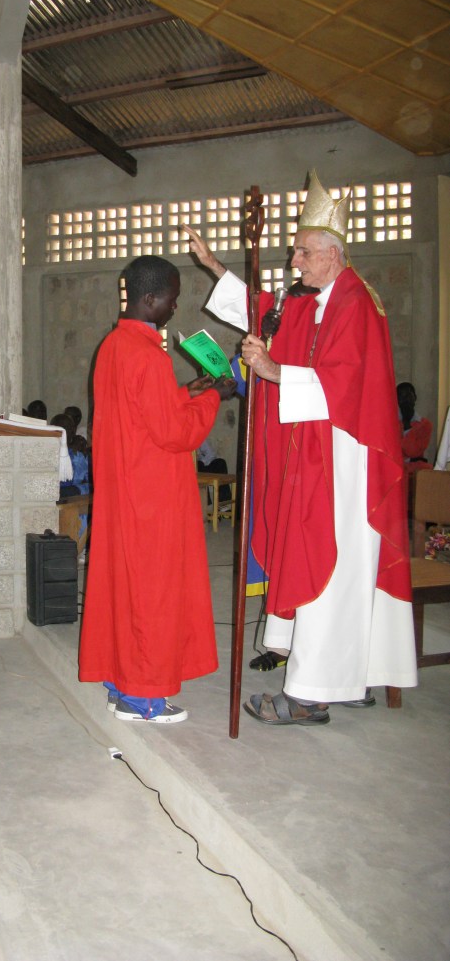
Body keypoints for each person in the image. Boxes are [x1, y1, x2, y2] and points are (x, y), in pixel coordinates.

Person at [187, 170, 417, 726]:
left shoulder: (355, 305)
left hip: (342, 463)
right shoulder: (321, 299)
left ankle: (313, 692)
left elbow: (342, 383)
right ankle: (348, 677)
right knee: (333, 568)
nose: (295, 261)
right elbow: (271, 312)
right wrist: (219, 268)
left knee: (331, 565)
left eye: (303, 252)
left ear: (333, 254)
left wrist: (273, 370)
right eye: (294, 251)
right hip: (320, 455)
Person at [79, 255, 235, 723]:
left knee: (122, 588)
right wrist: (213, 396)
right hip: (151, 498)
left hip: (123, 490)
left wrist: (189, 389)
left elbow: (143, 412)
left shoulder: (113, 346)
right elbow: (174, 434)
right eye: (172, 297)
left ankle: (118, 680)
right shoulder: (147, 355)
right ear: (151, 299)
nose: (175, 306)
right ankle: (143, 697)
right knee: (152, 593)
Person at [397, 382, 433, 473]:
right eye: (401, 396)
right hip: (395, 467)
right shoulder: (391, 423)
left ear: (415, 397)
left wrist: (407, 425)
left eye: (408, 395)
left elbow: (413, 452)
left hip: (416, 468)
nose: (406, 400)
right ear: (396, 400)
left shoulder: (425, 425)